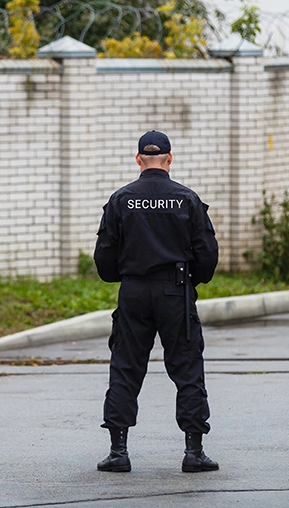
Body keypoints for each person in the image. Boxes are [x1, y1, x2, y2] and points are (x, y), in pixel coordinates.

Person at [93, 130, 219, 473]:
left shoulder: (121, 200)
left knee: (125, 367)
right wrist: (192, 281)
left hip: (133, 292)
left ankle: (118, 452)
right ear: (169, 158)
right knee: (187, 367)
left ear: (138, 159)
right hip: (174, 291)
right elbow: (207, 255)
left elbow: (104, 259)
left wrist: (129, 276)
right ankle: (194, 452)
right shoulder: (187, 199)